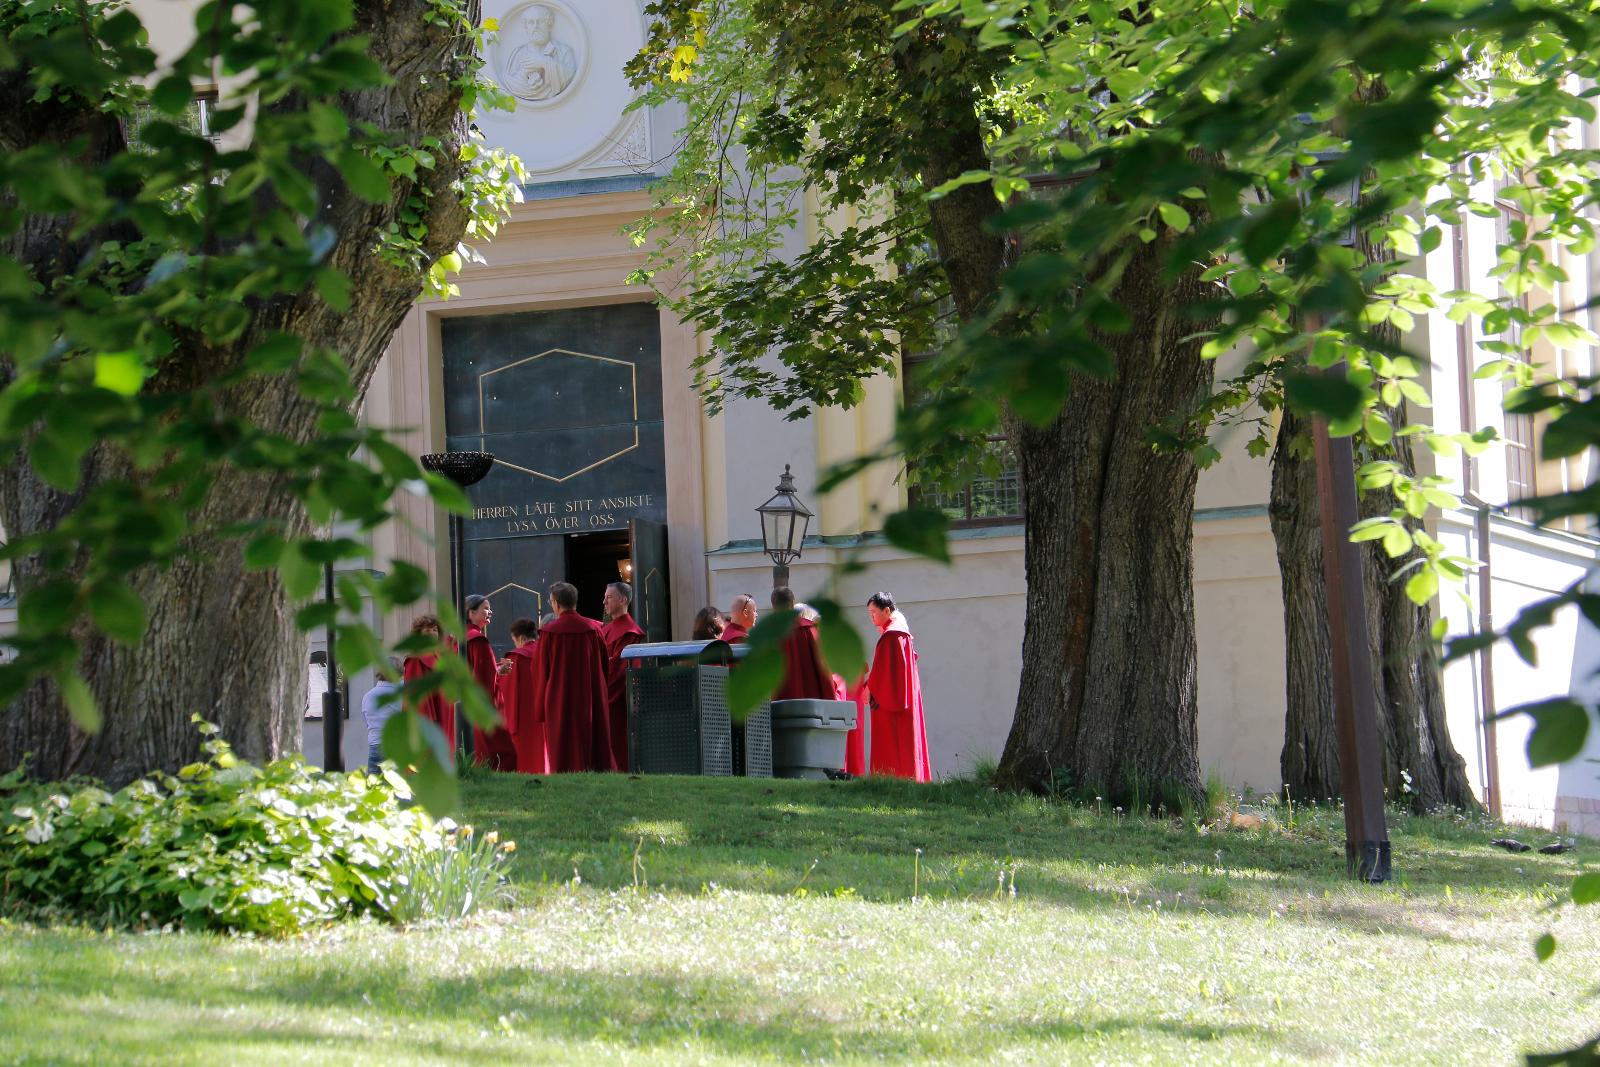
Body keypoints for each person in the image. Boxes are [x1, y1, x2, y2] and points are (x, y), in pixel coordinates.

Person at [845, 592, 931, 781]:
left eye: (874, 612)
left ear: (886, 610)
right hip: (904, 701)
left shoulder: (892, 635)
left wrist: (869, 689)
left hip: (892, 705)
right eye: (869, 613)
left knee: (893, 747)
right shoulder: (898, 632)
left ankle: (890, 782)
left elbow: (885, 670)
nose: (871, 617)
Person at [532, 582, 616, 772]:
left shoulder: (548, 634)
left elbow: (540, 671)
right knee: (593, 742)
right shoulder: (594, 629)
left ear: (555, 603)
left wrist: (540, 707)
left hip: (559, 697)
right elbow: (604, 665)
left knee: (563, 743)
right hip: (591, 694)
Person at [464, 594, 517, 771]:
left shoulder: (454, 638)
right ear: (470, 612)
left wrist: (496, 669)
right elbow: (483, 679)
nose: (490, 612)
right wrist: (498, 672)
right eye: (485, 608)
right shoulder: (478, 640)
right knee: (504, 753)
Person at [600, 581, 646, 772]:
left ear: (623, 600)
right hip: (604, 696)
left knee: (618, 746)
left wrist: (601, 692)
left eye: (609, 597)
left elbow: (621, 671)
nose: (604, 602)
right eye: (605, 597)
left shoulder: (629, 632)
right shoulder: (606, 628)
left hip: (616, 702)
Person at [401, 614, 455, 764]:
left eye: (434, 629)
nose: (432, 633)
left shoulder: (440, 657)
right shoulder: (414, 660)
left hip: (444, 713)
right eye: (427, 631)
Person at [770, 587, 837, 701]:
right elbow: (823, 670)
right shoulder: (810, 630)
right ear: (792, 603)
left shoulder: (768, 636)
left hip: (779, 709)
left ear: (773, 607)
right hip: (811, 709)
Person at [499, 617, 547, 774]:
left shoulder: (516, 657)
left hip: (523, 718)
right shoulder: (545, 651)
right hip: (546, 714)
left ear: (520, 637)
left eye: (514, 640)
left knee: (526, 761)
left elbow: (506, 689)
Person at [504, 4, 577, 102]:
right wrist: (524, 76)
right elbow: (511, 81)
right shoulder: (517, 54)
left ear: (549, 25)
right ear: (526, 28)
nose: (535, 26)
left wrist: (544, 62)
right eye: (531, 22)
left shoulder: (563, 52)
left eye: (540, 22)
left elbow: (568, 73)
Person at [360, 659, 403, 774]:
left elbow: (367, 723)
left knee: (375, 789)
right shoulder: (402, 693)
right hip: (396, 748)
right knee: (399, 789)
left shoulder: (367, 696)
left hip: (375, 748)